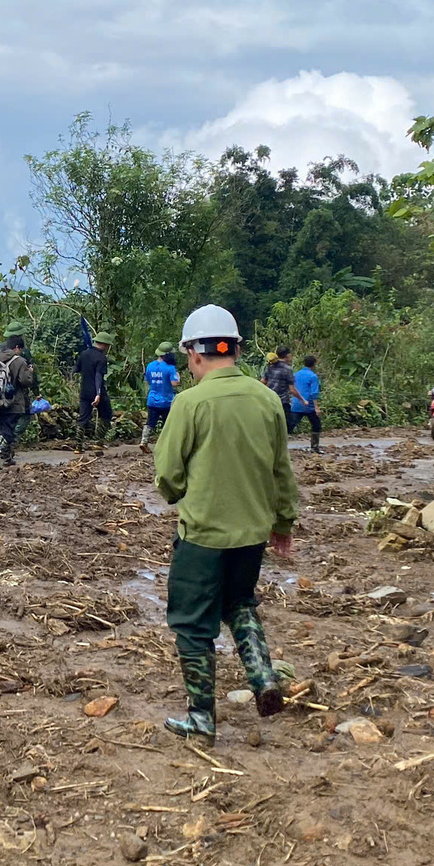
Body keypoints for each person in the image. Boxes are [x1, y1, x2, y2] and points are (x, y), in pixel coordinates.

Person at [153, 303, 300, 740]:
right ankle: (263, 677)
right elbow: (281, 471)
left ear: (194, 354)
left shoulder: (189, 403)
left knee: (192, 623)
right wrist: (283, 524)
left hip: (203, 536)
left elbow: (167, 475)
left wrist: (180, 496)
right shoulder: (268, 399)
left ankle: (201, 718)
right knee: (240, 603)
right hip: (252, 535)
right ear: (234, 349)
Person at [0, 331, 38, 467]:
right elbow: (25, 381)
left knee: (4, 426)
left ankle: (7, 458)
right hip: (14, 400)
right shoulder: (19, 361)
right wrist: (30, 372)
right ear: (17, 348)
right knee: (8, 429)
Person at [76, 330, 113, 447]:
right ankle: (98, 441)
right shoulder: (101, 358)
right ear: (105, 344)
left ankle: (78, 444)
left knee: (83, 417)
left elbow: (76, 369)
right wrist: (98, 393)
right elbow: (99, 376)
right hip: (98, 391)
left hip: (84, 390)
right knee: (106, 414)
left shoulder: (84, 354)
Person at [141, 343, 179, 451]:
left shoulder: (150, 366)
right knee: (167, 423)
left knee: (150, 422)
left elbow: (147, 381)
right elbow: (174, 383)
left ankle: (144, 441)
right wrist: (178, 377)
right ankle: (166, 444)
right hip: (167, 401)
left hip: (152, 400)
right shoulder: (170, 368)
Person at [290, 353, 323, 454]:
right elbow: (314, 393)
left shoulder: (296, 374)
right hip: (309, 406)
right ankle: (314, 447)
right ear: (314, 365)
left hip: (296, 404)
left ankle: (279, 445)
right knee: (316, 425)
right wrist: (316, 407)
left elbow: (292, 388)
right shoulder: (313, 376)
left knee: (290, 426)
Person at [261, 345, 296, 433]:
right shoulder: (288, 369)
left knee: (272, 424)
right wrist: (303, 400)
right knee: (289, 424)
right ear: (287, 356)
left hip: (270, 399)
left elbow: (262, 382)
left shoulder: (269, 366)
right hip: (283, 400)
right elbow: (292, 389)